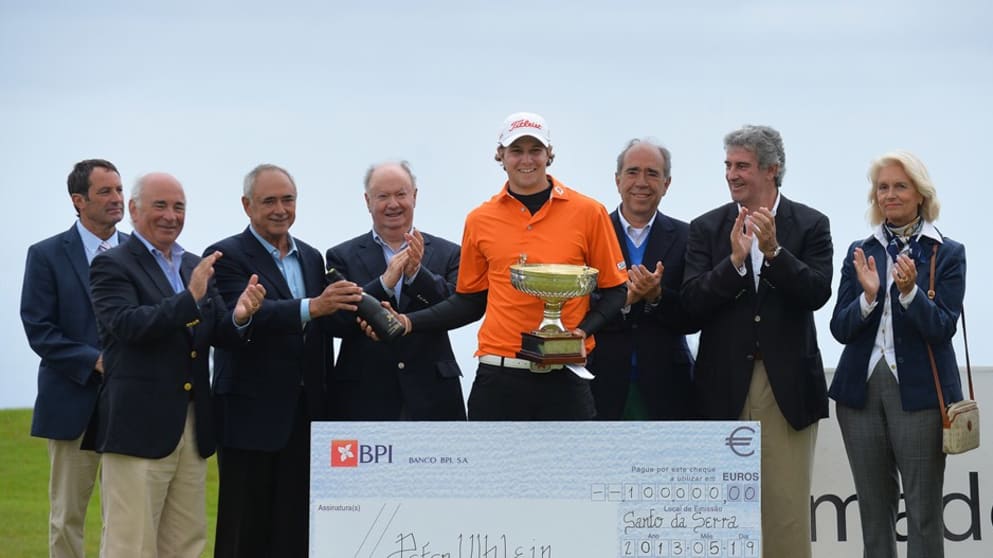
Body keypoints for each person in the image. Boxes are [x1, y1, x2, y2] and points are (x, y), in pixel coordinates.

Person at [385, 112, 628, 420]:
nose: (526, 160)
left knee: (571, 470)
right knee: (488, 470)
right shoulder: (480, 219)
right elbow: (471, 301)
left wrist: (581, 332)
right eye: (516, 151)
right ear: (500, 155)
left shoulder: (589, 212)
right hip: (499, 374)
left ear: (549, 154)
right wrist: (409, 322)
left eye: (535, 150)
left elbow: (616, 290)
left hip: (566, 374)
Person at [85, 172, 266, 558]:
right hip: (138, 429)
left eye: (179, 206)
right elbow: (129, 326)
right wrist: (191, 297)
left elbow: (219, 332)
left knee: (186, 542)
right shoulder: (111, 265)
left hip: (193, 427)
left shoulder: (194, 265)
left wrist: (241, 316)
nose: (171, 215)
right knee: (130, 544)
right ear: (134, 210)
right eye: (160, 205)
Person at [682, 125, 832, 558]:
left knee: (785, 515)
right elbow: (690, 307)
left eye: (742, 165)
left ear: (772, 169)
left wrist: (775, 253)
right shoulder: (707, 229)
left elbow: (817, 293)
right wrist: (733, 263)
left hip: (787, 389)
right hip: (721, 387)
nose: (732, 174)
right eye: (728, 165)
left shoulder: (810, 224)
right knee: (723, 519)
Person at [205, 164, 362, 557]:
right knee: (245, 532)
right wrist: (314, 306)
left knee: (296, 532)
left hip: (305, 417)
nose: (280, 209)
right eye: (269, 201)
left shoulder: (310, 257)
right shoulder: (225, 256)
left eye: (287, 199)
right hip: (249, 418)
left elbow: (332, 316)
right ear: (247, 206)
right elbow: (236, 323)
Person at [829, 151, 964, 558]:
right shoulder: (860, 249)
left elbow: (942, 327)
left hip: (921, 397)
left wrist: (909, 293)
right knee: (873, 513)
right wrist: (869, 298)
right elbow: (840, 327)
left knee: (923, 514)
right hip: (860, 394)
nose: (889, 194)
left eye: (900, 186)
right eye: (883, 187)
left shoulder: (948, 252)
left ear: (920, 194)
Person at [20, 159, 127, 558]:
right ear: (78, 200)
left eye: (119, 190)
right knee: (67, 517)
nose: (117, 199)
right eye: (106, 192)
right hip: (72, 402)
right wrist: (95, 361)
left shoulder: (139, 252)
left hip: (131, 405)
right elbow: (39, 328)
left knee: (126, 514)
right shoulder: (46, 254)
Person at [325, 161, 466, 420]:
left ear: (415, 196)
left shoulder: (449, 253)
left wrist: (416, 274)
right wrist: (384, 284)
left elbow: (455, 308)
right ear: (368, 201)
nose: (393, 204)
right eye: (383, 196)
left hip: (433, 395)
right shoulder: (341, 256)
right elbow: (336, 322)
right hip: (364, 395)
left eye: (401, 194)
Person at [588, 139, 697, 420]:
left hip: (668, 387)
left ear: (666, 183)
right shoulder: (591, 235)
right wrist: (623, 301)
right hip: (600, 382)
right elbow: (578, 307)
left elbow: (695, 314)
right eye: (633, 171)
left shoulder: (689, 237)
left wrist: (656, 296)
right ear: (617, 180)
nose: (642, 182)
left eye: (652, 173)